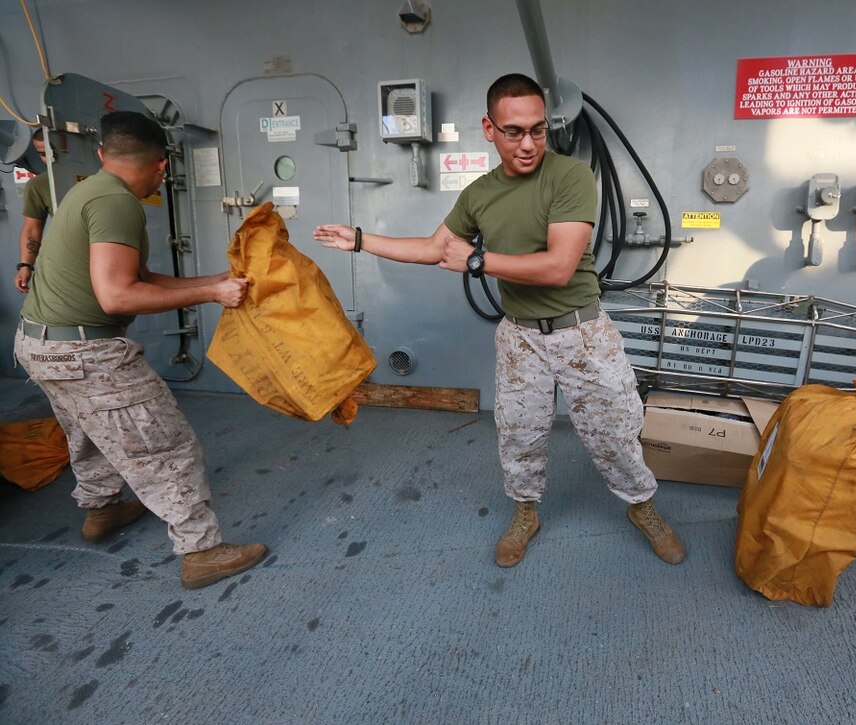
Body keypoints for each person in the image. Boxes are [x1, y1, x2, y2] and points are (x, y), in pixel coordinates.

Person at [314, 73, 685, 568]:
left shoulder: (570, 177)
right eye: (514, 131)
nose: (528, 143)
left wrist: (476, 260)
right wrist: (360, 239)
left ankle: (642, 506)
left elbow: (558, 267)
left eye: (537, 130)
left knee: (614, 430)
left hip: (582, 331)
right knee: (519, 433)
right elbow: (432, 248)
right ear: (489, 129)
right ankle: (526, 512)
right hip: (520, 338)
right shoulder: (478, 194)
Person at [14, 110, 267, 589]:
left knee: (89, 432)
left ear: (104, 153)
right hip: (87, 354)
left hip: (40, 346)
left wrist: (216, 280)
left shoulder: (89, 191)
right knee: (166, 445)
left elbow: (143, 279)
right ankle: (203, 552)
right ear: (162, 167)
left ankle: (101, 511)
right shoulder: (118, 204)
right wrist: (213, 296)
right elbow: (118, 296)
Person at [14, 128, 53, 293]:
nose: (50, 158)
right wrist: (25, 266)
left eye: (53, 151)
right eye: (43, 154)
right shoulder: (39, 185)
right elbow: (32, 228)